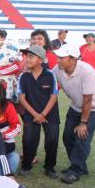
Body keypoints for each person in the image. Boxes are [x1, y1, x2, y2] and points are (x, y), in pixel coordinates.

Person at [52, 44, 95, 184]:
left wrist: (83, 123)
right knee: (67, 136)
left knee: (82, 136)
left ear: (73, 59)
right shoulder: (58, 69)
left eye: (61, 58)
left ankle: (75, 170)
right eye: (58, 57)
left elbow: (88, 99)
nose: (58, 60)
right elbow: (47, 78)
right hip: (76, 106)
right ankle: (81, 166)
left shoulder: (87, 71)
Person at [18, 45, 59, 178]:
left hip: (50, 113)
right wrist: (36, 114)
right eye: (26, 57)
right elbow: (22, 99)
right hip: (31, 113)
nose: (27, 59)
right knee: (30, 139)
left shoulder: (50, 74)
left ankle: (50, 167)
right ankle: (26, 165)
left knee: (52, 140)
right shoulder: (23, 76)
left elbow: (54, 96)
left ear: (40, 60)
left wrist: (43, 114)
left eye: (31, 57)